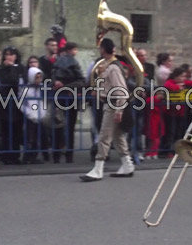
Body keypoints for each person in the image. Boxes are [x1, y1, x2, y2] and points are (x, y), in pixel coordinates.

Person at [80, 38, 135, 181]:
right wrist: (99, 92)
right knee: (117, 137)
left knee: (104, 136)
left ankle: (98, 169)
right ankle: (127, 165)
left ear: (103, 49)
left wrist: (119, 110)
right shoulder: (109, 65)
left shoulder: (113, 67)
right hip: (111, 103)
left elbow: (121, 91)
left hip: (113, 105)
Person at [52, 41, 86, 163]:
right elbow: (81, 80)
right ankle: (68, 153)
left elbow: (52, 77)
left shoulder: (58, 61)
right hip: (70, 96)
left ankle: (57, 154)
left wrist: (57, 83)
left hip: (60, 96)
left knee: (58, 125)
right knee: (70, 126)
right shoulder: (74, 63)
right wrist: (68, 86)